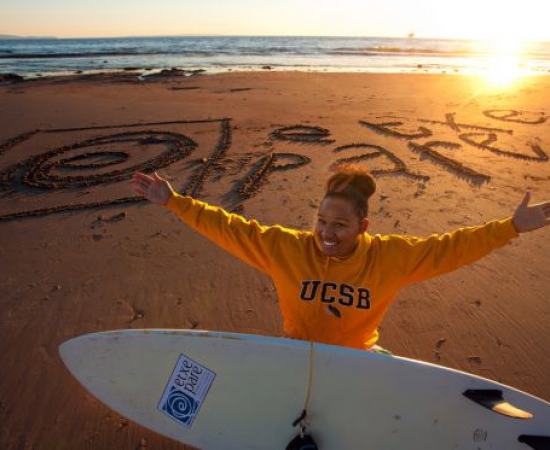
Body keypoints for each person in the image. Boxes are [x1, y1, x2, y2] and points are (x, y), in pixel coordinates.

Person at [131, 164, 550, 353]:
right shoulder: (287, 248)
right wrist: (175, 202)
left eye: (339, 225)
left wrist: (511, 227)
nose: (327, 234)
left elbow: (450, 247)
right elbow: (231, 228)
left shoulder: (390, 257)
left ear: (362, 227)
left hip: (358, 359)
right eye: (321, 221)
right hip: (295, 353)